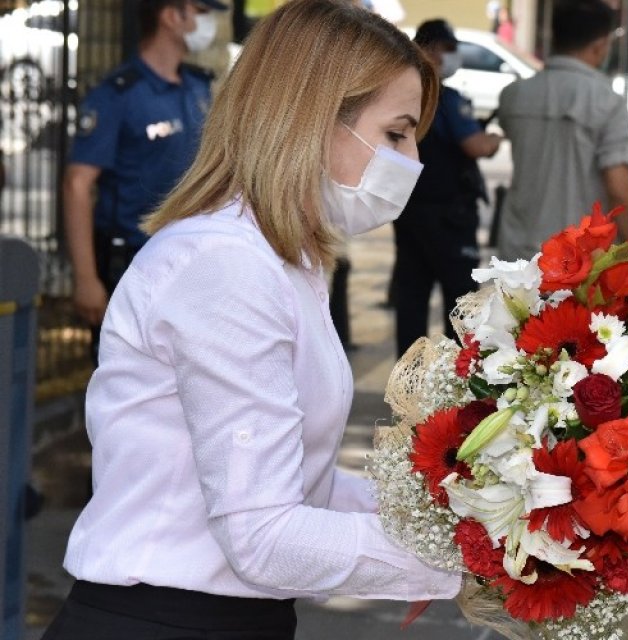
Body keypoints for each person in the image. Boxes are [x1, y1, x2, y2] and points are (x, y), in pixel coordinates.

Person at [41, 3, 460, 638]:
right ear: (313, 119)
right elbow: (264, 535)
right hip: (161, 620)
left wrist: (472, 514)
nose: (411, 159)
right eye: (397, 134)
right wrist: (471, 557)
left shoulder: (280, 261)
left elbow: (297, 480)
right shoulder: (224, 266)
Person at [62, 0, 227, 354]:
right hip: (133, 267)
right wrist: (86, 278)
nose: (207, 22)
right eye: (200, 12)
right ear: (171, 16)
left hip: (194, 265)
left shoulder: (197, 87)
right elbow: (77, 184)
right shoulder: (119, 94)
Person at [496, 0, 628, 262]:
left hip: (516, 252)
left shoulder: (513, 96)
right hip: (577, 260)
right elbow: (619, 188)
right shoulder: (607, 101)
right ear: (600, 46)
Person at [394, 19, 502, 354]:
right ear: (430, 49)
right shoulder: (445, 97)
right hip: (449, 215)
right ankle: (455, 378)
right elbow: (476, 146)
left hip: (409, 208)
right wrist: (495, 139)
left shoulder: (402, 92)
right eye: (448, 49)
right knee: (460, 303)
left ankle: (408, 377)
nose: (452, 58)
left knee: (411, 295)